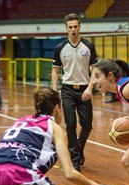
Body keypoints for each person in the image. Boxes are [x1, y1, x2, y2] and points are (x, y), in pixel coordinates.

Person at [0, 87, 112, 185]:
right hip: (20, 174)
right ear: (57, 108)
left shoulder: (21, 121)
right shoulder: (54, 127)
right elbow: (69, 173)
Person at [51, 13, 98, 171]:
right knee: (70, 125)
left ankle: (78, 148)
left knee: (87, 125)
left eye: (75, 26)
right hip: (67, 90)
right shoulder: (60, 48)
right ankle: (75, 160)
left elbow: (95, 70)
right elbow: (55, 71)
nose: (73, 30)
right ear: (66, 28)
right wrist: (54, 91)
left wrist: (90, 88)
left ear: (80, 27)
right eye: (70, 27)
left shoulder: (89, 46)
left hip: (85, 88)